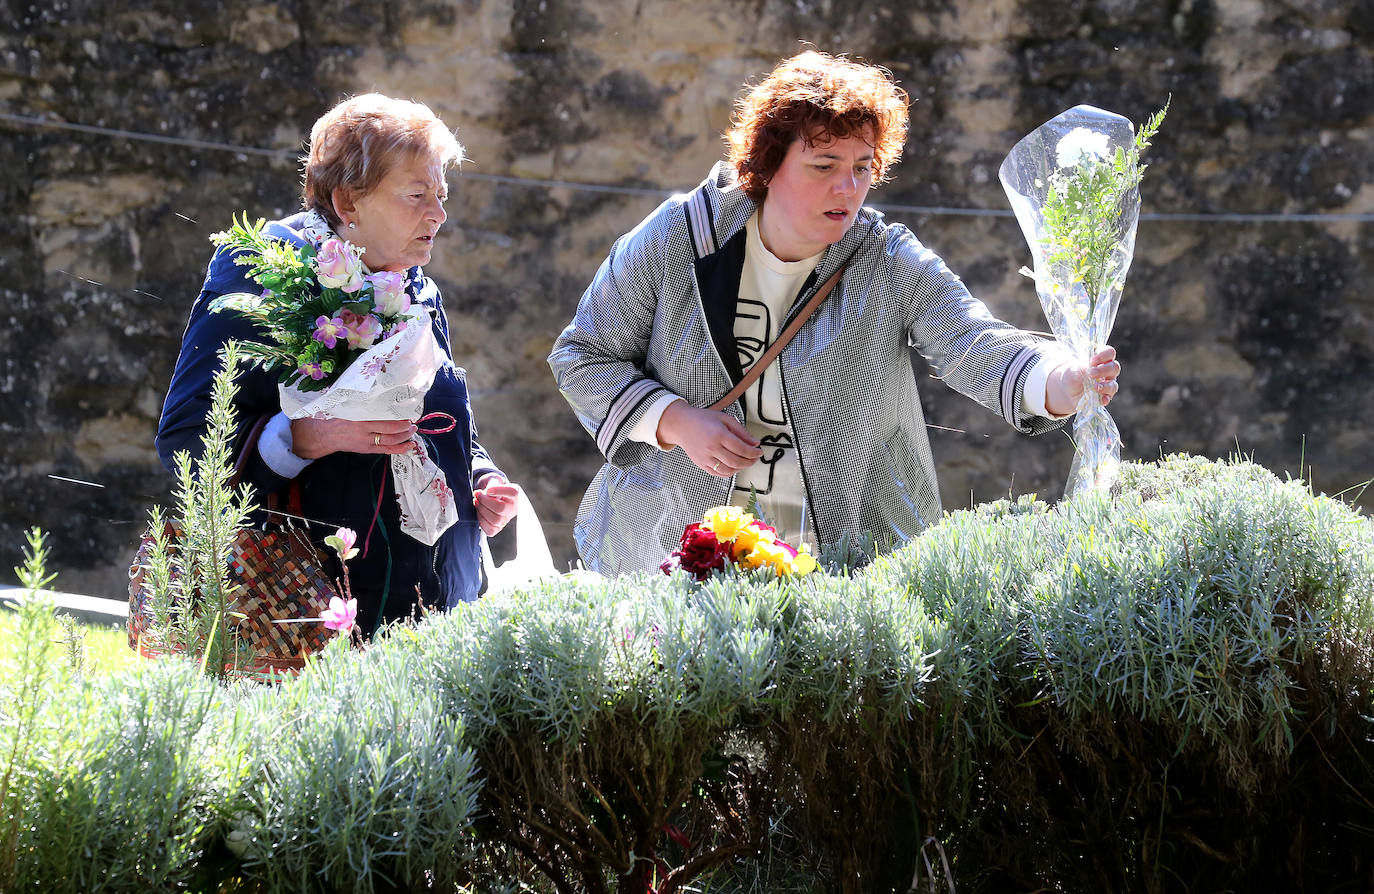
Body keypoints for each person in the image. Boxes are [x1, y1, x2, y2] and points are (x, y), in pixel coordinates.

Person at [548, 50, 1121, 576]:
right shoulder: (677, 238)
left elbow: (974, 342)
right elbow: (581, 357)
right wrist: (675, 420)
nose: (847, 188)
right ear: (767, 166)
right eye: (824, 166)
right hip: (678, 556)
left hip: (847, 570)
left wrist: (1062, 380)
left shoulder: (887, 258)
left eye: (863, 168)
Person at [158, 93, 520, 634]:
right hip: (313, 619)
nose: (439, 215)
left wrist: (480, 479)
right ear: (348, 202)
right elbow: (188, 440)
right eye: (417, 194)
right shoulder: (260, 273)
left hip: (442, 606)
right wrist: (306, 437)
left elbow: (434, 419)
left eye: (441, 195)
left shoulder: (418, 290)